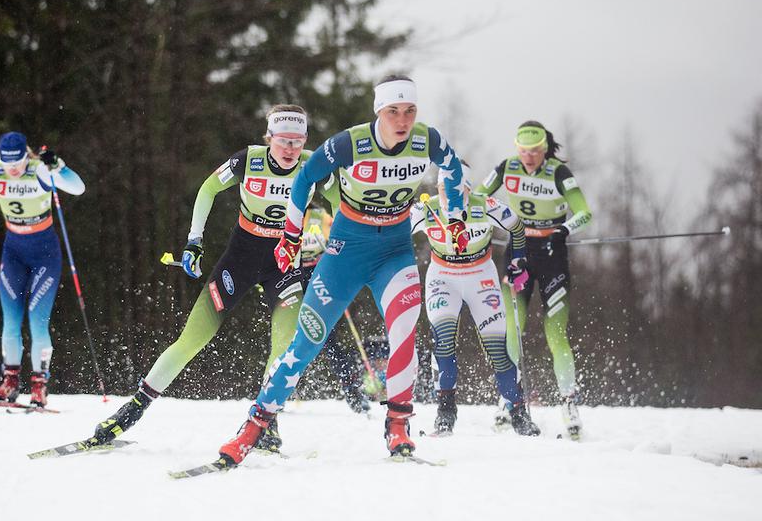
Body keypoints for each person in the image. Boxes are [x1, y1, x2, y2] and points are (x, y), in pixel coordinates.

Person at [212, 75, 468, 465]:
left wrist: (457, 218)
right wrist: (290, 237)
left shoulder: (426, 140)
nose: (402, 120)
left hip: (395, 252)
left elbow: (452, 167)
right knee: (307, 340)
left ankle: (398, 424)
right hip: (345, 252)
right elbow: (305, 178)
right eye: (393, 111)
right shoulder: (350, 143)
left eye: (410, 110)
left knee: (403, 330)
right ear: (378, 112)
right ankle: (253, 427)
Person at [91, 105, 339, 445]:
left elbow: (341, 204)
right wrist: (194, 240)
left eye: (297, 141)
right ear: (269, 138)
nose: (290, 150)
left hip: (285, 262)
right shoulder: (247, 161)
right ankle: (134, 408)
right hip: (242, 256)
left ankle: (266, 422)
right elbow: (208, 189)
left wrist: (338, 245)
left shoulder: (314, 165)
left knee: (283, 345)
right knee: (193, 338)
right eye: (283, 141)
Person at [0, 132, 86, 407]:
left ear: (26, 156)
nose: (12, 168)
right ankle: (10, 382)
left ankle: (39, 386)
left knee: (36, 320)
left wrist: (59, 166)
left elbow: (78, 187)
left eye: (17, 162)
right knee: (10, 322)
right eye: (7, 161)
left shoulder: (40, 171)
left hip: (45, 253)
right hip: (14, 253)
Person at [474, 121, 592, 440]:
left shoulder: (557, 172)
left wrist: (563, 230)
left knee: (555, 333)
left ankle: (569, 402)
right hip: (518, 251)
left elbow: (585, 213)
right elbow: (477, 198)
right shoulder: (506, 168)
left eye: (535, 151)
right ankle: (508, 397)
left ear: (544, 149)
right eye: (523, 151)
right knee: (512, 328)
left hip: (552, 255)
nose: (528, 157)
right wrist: (490, 222)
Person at [410, 164, 540, 436]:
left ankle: (518, 413)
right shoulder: (427, 209)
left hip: (481, 275)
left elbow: (516, 226)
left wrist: (517, 260)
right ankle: (445, 413)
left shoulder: (487, 206)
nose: (450, 196)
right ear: (438, 188)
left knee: (497, 349)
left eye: (457, 190)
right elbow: (392, 236)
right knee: (443, 340)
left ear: (469, 189)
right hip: (442, 276)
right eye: (444, 190)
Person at [300, 206, 371, 414]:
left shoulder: (320, 217)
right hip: (293, 275)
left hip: (317, 273)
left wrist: (331, 258)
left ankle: (353, 393)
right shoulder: (282, 215)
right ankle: (278, 392)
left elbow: (340, 242)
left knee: (326, 337)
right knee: (288, 334)